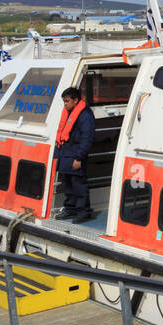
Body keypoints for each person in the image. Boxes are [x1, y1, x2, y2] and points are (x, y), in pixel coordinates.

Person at [54, 86, 95, 223]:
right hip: (66, 154)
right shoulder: (69, 113)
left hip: (76, 155)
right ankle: (70, 209)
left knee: (79, 185)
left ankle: (83, 211)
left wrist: (79, 157)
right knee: (68, 185)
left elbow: (86, 138)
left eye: (67, 101)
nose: (65, 104)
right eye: (64, 101)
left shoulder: (85, 115)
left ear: (76, 100)